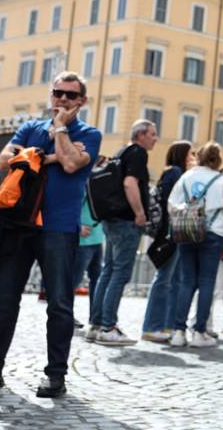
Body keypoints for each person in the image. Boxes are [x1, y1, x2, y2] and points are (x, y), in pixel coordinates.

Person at [0, 72, 102, 398]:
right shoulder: (30, 128)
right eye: (57, 93)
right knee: (4, 300)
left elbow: (71, 165)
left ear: (81, 100)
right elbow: (6, 160)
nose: (62, 99)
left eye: (70, 95)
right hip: (19, 225)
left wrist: (61, 132)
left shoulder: (90, 134)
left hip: (59, 227)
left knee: (59, 305)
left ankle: (56, 375)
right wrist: (47, 156)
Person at [89, 119, 158, 346]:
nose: (155, 138)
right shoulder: (138, 152)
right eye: (152, 134)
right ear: (140, 135)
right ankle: (109, 326)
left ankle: (97, 324)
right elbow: (130, 184)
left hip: (111, 219)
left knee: (108, 271)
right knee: (119, 273)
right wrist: (139, 213)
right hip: (126, 220)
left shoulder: (121, 151)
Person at [168, 142, 223, 348]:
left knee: (187, 280)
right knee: (207, 282)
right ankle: (199, 332)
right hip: (214, 233)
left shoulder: (186, 177)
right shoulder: (222, 181)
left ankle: (178, 331)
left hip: (188, 232)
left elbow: (172, 204)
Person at [140, 141, 195, 342]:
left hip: (172, 233)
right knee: (165, 280)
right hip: (171, 233)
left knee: (172, 281)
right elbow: (172, 206)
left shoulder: (173, 172)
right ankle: (152, 326)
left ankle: (166, 326)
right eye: (190, 154)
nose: (193, 158)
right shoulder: (175, 173)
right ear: (182, 155)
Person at [72, 190, 104, 326]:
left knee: (97, 281)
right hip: (83, 240)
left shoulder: (98, 178)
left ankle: (96, 318)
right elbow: (72, 205)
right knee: (74, 280)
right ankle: (66, 314)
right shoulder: (85, 181)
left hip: (98, 238)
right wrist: (77, 227)